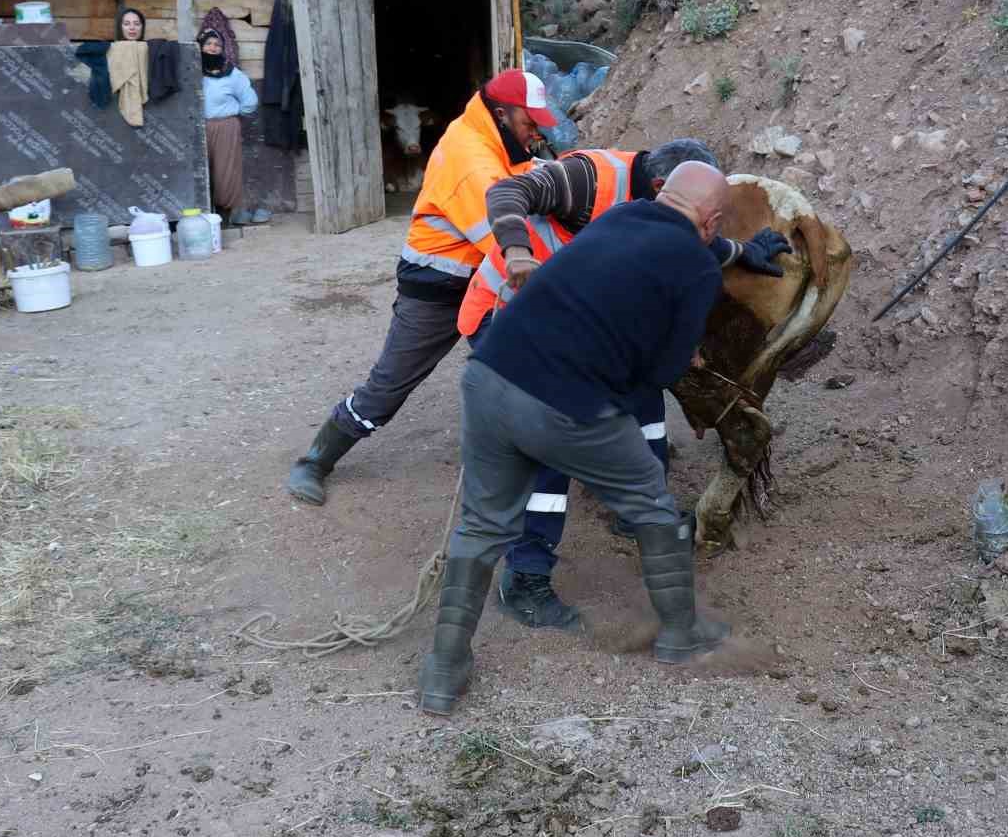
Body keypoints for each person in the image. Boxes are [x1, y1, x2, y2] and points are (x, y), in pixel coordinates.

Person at [420, 161, 734, 715]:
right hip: (564, 404)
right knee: (651, 502)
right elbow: (662, 375)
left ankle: (443, 671)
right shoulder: (698, 271)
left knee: (482, 526)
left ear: (663, 194)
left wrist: (736, 251)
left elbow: (672, 243)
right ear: (710, 222)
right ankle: (680, 632)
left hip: (489, 375)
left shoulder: (620, 216)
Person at [460, 140, 792, 630]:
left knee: (641, 409)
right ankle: (525, 576)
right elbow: (507, 192)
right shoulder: (582, 179)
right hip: (511, 311)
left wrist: (741, 251)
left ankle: (632, 512)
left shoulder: (645, 211)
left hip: (576, 332)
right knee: (549, 442)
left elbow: (685, 236)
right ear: (665, 191)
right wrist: (517, 254)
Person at [286, 70, 554, 506]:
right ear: (503, 114)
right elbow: (508, 241)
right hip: (438, 287)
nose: (538, 131)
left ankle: (586, 448)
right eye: (531, 122)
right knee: (388, 386)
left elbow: (526, 177)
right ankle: (315, 460)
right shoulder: (471, 160)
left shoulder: (494, 136)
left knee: (533, 369)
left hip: (481, 281)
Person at [197, 23, 259, 224]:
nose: (213, 48)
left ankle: (224, 219)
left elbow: (250, 102)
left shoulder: (232, 74)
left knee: (225, 173)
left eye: (217, 45)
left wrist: (231, 115)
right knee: (200, 173)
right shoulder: (192, 71)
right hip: (197, 128)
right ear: (200, 47)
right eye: (208, 44)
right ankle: (204, 218)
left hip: (226, 127)